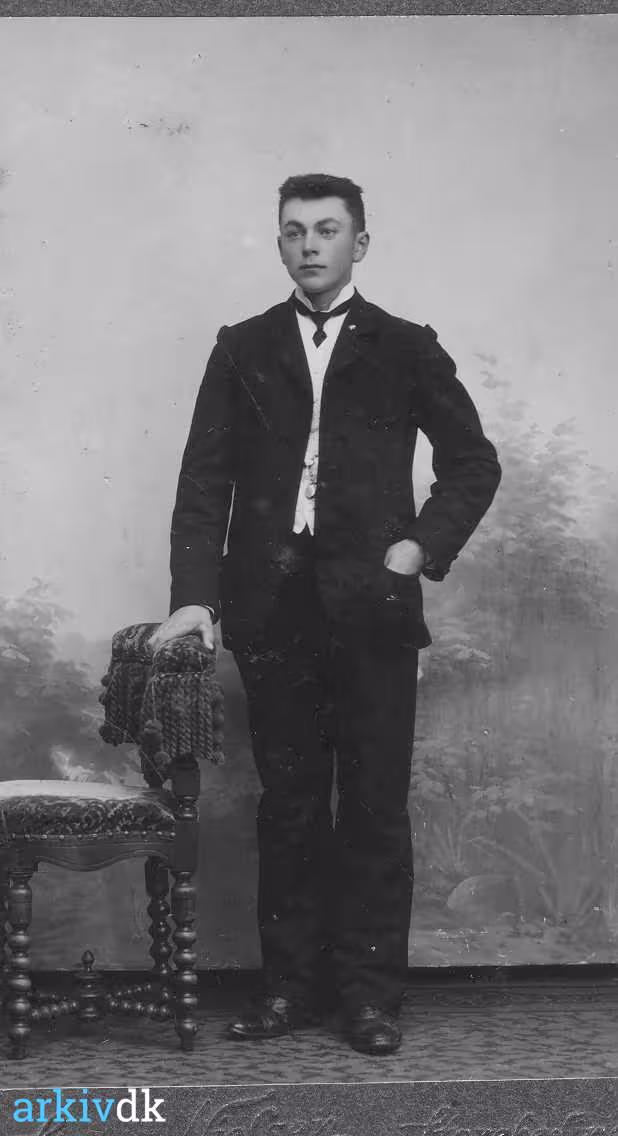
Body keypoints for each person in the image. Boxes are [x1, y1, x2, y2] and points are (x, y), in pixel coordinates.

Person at [149, 174, 501, 1055]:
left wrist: (418, 547)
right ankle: (289, 990)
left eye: (328, 229)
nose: (310, 244)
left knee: (374, 804)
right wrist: (194, 597)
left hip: (374, 605)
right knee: (292, 804)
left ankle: (370, 998)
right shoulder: (241, 348)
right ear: (279, 244)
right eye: (295, 231)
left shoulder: (407, 346)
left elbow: (472, 463)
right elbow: (203, 483)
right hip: (274, 610)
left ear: (360, 243)